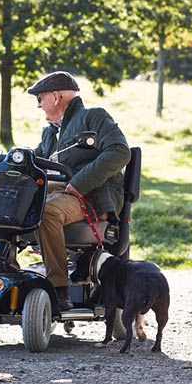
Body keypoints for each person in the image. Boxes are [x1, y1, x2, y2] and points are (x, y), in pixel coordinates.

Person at [28, 71, 131, 310]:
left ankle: (59, 288)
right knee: (15, 199)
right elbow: (38, 164)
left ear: (56, 97)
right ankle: (4, 271)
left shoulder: (93, 117)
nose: (38, 105)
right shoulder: (51, 132)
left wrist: (81, 182)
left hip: (91, 198)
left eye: (40, 99)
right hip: (62, 193)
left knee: (47, 211)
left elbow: (119, 152)